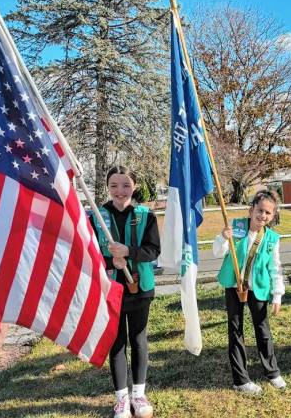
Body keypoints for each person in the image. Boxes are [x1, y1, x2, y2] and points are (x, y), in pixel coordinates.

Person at [90, 166, 160, 418]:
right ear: (108, 188)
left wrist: (128, 252)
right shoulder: (97, 216)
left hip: (140, 288)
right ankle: (121, 398)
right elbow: (89, 252)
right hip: (111, 289)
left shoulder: (145, 215)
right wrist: (111, 262)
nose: (120, 191)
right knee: (117, 343)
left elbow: (153, 250)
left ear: (135, 186)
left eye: (126, 185)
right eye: (114, 186)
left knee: (139, 340)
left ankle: (138, 395)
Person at [213, 190, 286, 395]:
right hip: (234, 285)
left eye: (268, 213)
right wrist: (222, 238)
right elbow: (218, 252)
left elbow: (275, 266)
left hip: (258, 288)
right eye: (260, 210)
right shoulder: (236, 227)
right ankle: (241, 380)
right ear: (251, 208)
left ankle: (272, 372)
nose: (262, 216)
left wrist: (277, 294)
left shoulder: (272, 238)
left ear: (273, 216)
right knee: (235, 330)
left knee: (263, 329)